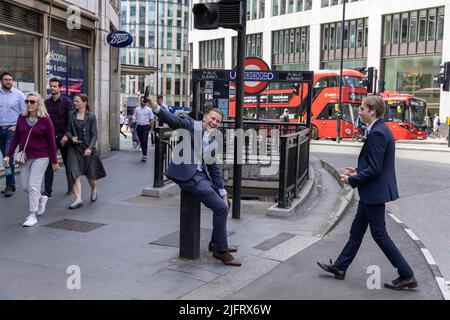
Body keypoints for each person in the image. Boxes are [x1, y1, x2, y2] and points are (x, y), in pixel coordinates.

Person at [317, 95, 418, 290]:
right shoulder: (378, 130)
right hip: (372, 192)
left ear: (372, 111)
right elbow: (374, 165)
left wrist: (352, 180)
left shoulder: (378, 133)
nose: (359, 111)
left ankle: (407, 275)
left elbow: (374, 169)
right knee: (356, 232)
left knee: (380, 235)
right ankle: (340, 267)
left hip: (374, 192)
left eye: (362, 108)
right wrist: (356, 172)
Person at [147, 100, 240, 267]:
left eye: (218, 121)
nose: (214, 122)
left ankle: (215, 243)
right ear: (205, 117)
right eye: (212, 118)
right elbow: (173, 121)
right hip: (188, 177)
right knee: (220, 208)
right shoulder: (191, 125)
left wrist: (223, 192)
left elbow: (214, 170)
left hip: (201, 177)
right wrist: (155, 107)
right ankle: (221, 251)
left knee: (226, 203)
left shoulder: (212, 141)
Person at [3, 92, 59, 227]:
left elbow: (52, 142)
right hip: (25, 156)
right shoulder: (21, 118)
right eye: (27, 101)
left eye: (32, 102)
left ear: (38, 104)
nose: (29, 104)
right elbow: (16, 137)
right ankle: (41, 198)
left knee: (34, 185)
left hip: (42, 156)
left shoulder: (45, 119)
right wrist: (7, 155)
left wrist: (54, 161)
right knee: (25, 186)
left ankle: (32, 215)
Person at [65, 94, 106, 209]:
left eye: (77, 101)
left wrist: (90, 148)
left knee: (90, 175)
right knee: (74, 172)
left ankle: (94, 189)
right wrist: (71, 137)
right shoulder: (71, 114)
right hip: (74, 148)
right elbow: (67, 130)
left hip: (87, 148)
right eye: (74, 101)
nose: (75, 103)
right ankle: (78, 199)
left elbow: (94, 134)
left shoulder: (91, 116)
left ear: (84, 102)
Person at [43, 77, 74, 198]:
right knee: (49, 164)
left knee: (68, 163)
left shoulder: (67, 102)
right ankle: (48, 191)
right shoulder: (46, 103)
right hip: (50, 138)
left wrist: (67, 135)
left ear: (60, 88)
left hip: (64, 138)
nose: (52, 88)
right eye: (51, 86)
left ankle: (71, 187)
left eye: (55, 86)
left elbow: (71, 121)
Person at [0, 72, 26, 197]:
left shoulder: (19, 95)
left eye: (10, 79)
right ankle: (12, 183)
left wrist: (17, 126)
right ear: (1, 81)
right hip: (0, 130)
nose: (9, 82)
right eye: (6, 80)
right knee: (5, 157)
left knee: (7, 156)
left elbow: (24, 113)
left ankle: (9, 185)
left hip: (12, 130)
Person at [134, 96, 155, 162]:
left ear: (145, 102)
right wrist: (135, 120)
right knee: (141, 141)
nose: (142, 101)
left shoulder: (149, 109)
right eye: (141, 100)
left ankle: (144, 155)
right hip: (139, 127)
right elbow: (134, 117)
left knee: (144, 141)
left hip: (146, 127)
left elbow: (152, 119)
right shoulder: (137, 109)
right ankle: (144, 153)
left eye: (143, 100)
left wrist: (151, 129)